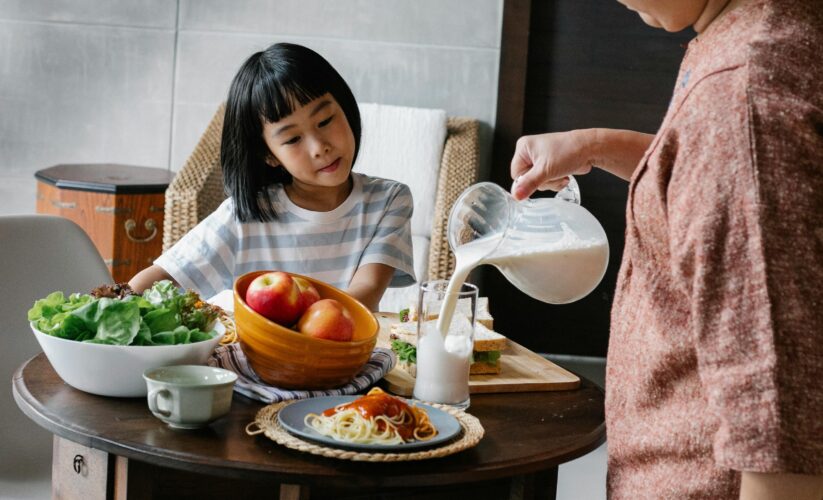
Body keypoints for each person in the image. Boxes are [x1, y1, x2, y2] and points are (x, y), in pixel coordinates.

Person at [510, 0, 822, 498]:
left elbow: (780, 427)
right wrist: (593, 145)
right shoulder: (752, 33)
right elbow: (711, 169)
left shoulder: (742, 93)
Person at [129, 43, 415, 311]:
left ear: (345, 108)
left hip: (343, 361)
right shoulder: (244, 216)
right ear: (269, 155)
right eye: (292, 139)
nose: (319, 148)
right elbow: (151, 283)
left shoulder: (388, 201)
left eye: (325, 121)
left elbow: (365, 293)